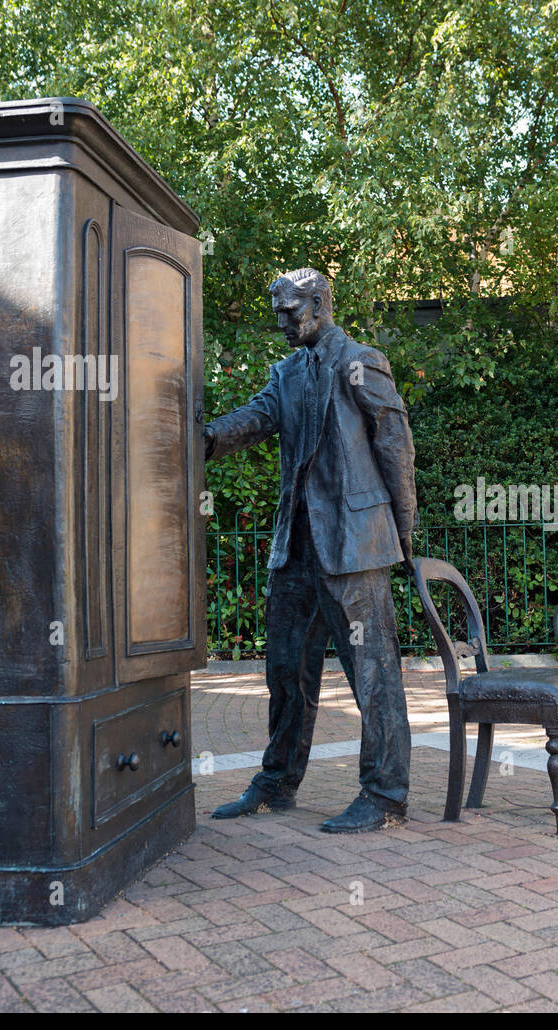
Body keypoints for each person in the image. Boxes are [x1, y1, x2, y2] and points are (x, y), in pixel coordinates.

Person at [203, 267, 417, 833]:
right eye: (277, 312)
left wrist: (402, 532)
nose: (281, 322)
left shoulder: (360, 361)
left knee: (373, 675)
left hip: (354, 546)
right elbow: (257, 418)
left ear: (319, 304)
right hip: (296, 546)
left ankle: (385, 793)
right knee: (286, 672)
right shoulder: (288, 372)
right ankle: (277, 781)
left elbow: (395, 445)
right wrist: (206, 438)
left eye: (289, 311)